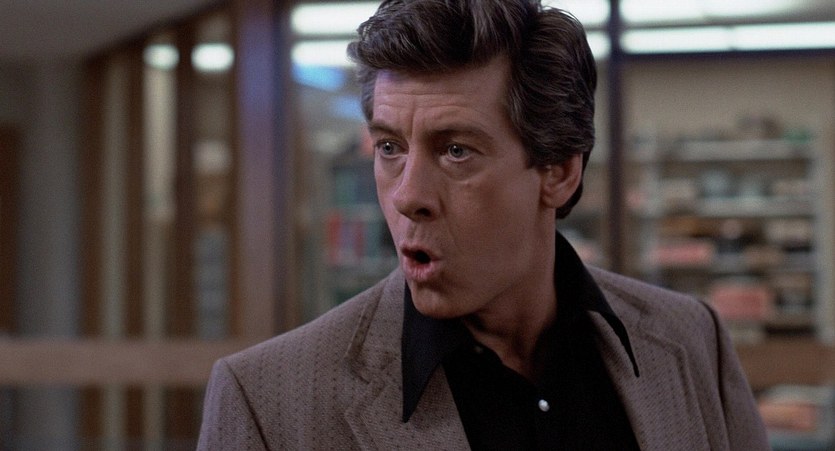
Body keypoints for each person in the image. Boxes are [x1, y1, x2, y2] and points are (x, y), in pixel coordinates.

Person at [198, 0, 769, 449]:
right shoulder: (268, 403)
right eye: (390, 147)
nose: (408, 197)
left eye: (456, 151)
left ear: (558, 172)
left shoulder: (692, 340)